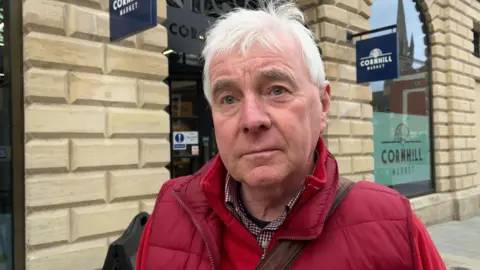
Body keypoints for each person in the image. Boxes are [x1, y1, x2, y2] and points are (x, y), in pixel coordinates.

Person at [136, 1, 446, 269]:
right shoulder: (171, 208)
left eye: (277, 90)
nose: (251, 119)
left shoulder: (391, 221)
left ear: (322, 106)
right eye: (228, 98)